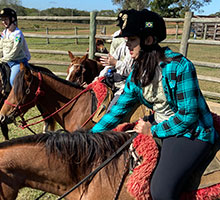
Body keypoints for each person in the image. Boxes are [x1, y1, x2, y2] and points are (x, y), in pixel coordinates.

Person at [91, 9, 218, 199]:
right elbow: (118, 109)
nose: (127, 45)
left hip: (191, 132)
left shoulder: (179, 66)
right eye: (127, 40)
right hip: (158, 123)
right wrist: (88, 137)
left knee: (161, 191)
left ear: (149, 40)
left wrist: (153, 131)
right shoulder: (137, 71)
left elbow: (188, 115)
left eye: (132, 40)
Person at [0, 8, 31, 87]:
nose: (3, 22)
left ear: (12, 19)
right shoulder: (4, 32)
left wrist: (0, 61)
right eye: (2, 20)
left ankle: (19, 98)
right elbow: (0, 46)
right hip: (7, 61)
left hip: (18, 62)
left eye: (5, 19)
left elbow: (14, 52)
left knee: (13, 81)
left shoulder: (17, 34)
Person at [96, 28, 133, 111]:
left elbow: (130, 70)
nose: (125, 39)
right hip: (121, 83)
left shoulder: (136, 49)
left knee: (112, 110)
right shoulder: (123, 45)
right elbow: (110, 61)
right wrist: (99, 78)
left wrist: (116, 63)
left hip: (129, 86)